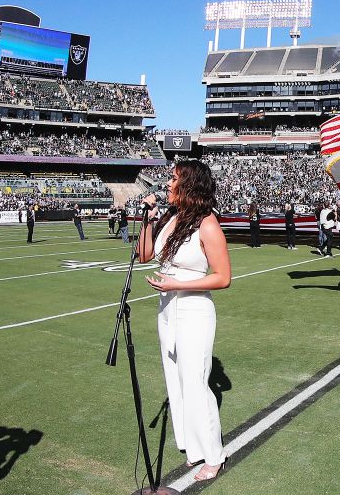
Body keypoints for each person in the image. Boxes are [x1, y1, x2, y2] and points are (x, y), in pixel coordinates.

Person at [137, 160, 230, 483]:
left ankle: (214, 455)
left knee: (195, 383)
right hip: (167, 308)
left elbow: (223, 277)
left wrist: (178, 284)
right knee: (175, 381)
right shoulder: (171, 218)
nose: (167, 184)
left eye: (173, 179)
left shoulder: (207, 224)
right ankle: (194, 447)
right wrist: (146, 220)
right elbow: (145, 255)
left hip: (193, 310)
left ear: (189, 185)